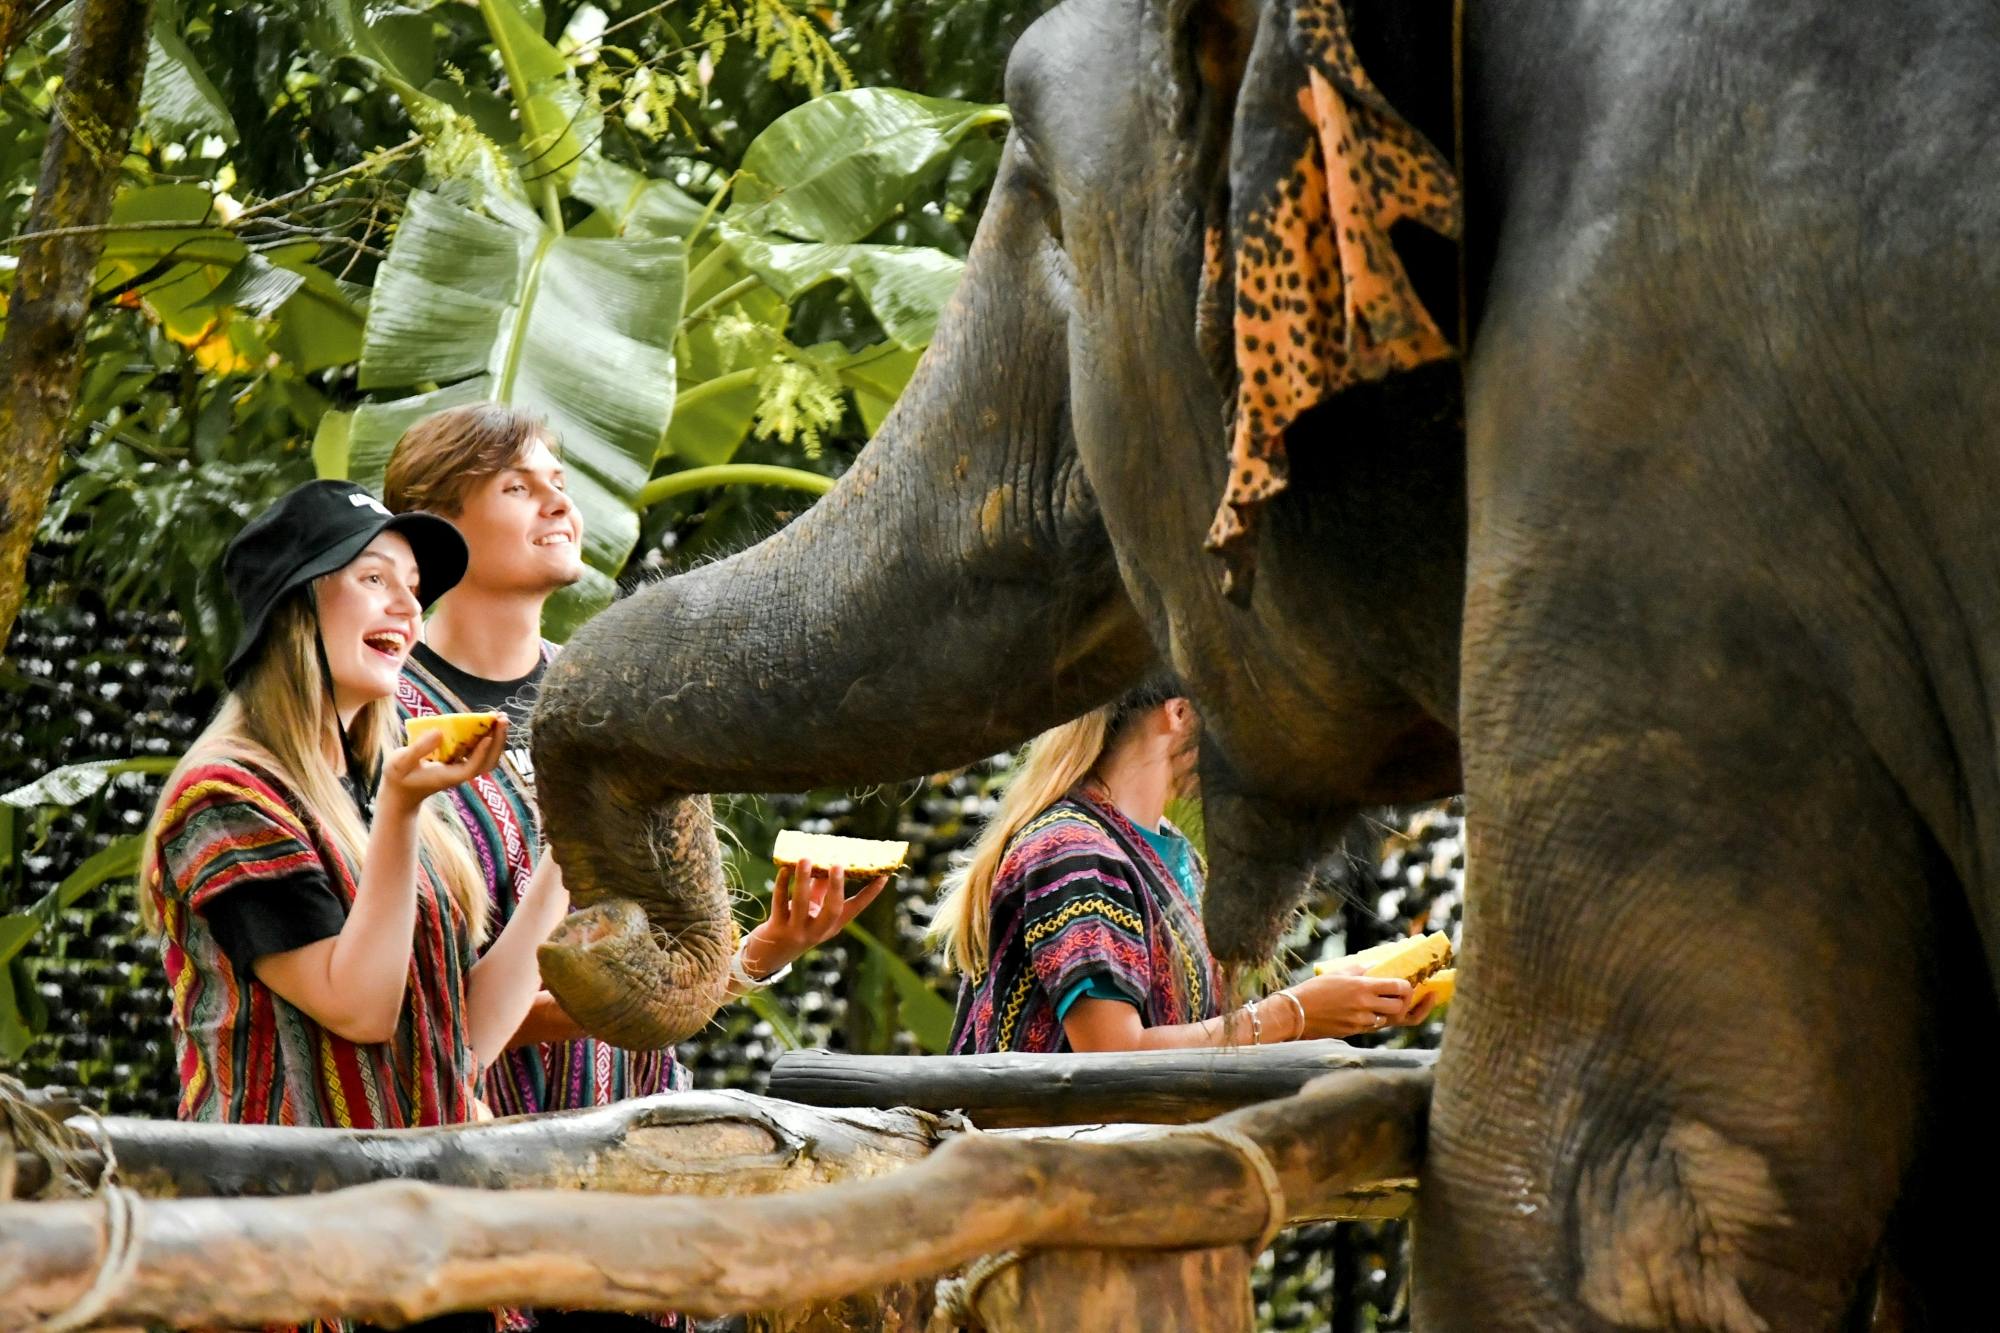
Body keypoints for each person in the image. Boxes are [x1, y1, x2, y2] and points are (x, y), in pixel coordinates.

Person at [144, 479, 568, 1132]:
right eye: (374, 578)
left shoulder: (382, 780)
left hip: (418, 1201)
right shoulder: (224, 797)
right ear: (295, 607)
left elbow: (461, 1040)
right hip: (284, 1206)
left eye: (415, 585)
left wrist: (571, 846)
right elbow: (361, 1008)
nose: (408, 606)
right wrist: (401, 808)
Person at [936, 682, 1437, 1053]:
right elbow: (1110, 1055)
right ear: (1178, 713)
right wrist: (1296, 1012)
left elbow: (1199, 1036)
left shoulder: (1168, 850)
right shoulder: (1073, 851)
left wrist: (1339, 998)